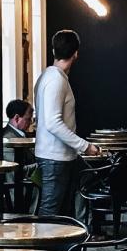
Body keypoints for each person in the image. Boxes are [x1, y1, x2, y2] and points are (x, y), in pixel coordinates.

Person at [33, 29, 102, 217]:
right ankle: (44, 247)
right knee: (50, 212)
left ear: (54, 51)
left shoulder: (47, 76)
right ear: (76, 53)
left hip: (58, 156)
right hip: (55, 157)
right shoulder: (56, 79)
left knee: (63, 211)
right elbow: (53, 123)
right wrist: (85, 146)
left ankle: (70, 244)